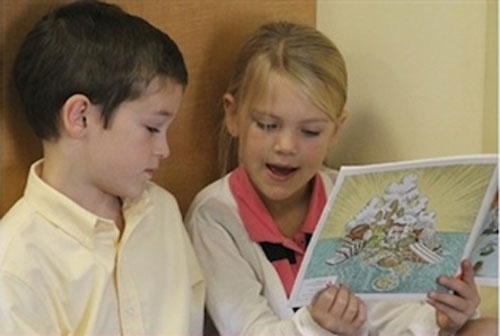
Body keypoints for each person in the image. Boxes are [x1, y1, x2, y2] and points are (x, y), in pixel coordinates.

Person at [186, 21, 497, 336]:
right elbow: (248, 330)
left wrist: (441, 319)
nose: (285, 147)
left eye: (310, 131)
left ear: (336, 129)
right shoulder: (215, 217)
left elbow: (386, 318)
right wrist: (316, 325)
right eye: (267, 124)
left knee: (486, 329)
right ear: (232, 115)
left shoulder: (346, 196)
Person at [0, 1, 204, 335]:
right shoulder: (15, 268)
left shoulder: (161, 212)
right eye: (152, 128)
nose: (165, 150)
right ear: (80, 117)